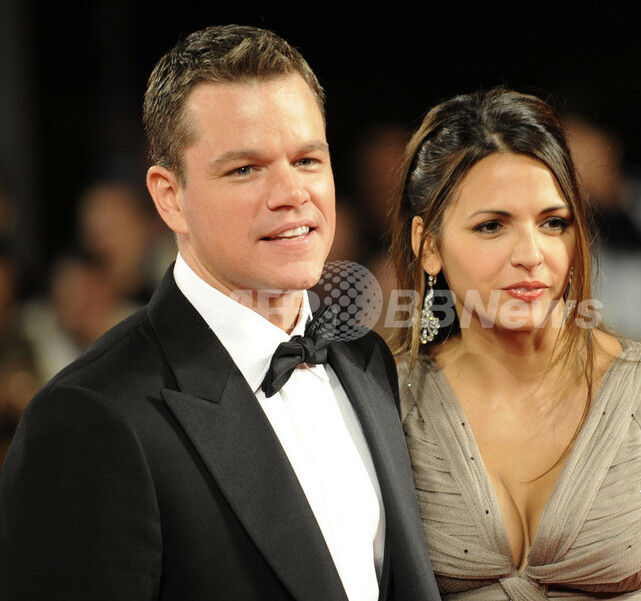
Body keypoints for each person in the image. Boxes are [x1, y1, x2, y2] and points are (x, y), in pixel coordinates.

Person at [0, 25, 439, 601]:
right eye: (245, 169)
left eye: (307, 159)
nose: (292, 193)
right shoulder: (90, 420)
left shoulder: (367, 360)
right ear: (170, 197)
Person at [389, 88, 641, 600]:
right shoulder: (384, 409)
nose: (531, 254)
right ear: (428, 245)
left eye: (553, 223)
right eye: (492, 226)